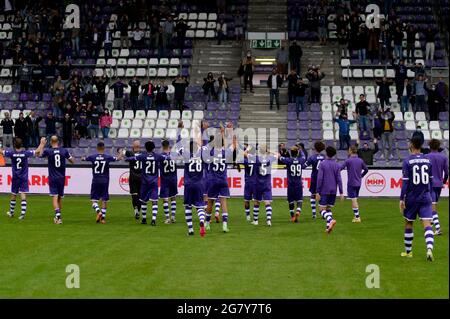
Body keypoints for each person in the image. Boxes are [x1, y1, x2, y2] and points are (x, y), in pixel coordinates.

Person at [399, 136, 435, 261]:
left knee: (409, 223)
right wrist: (429, 194)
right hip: (425, 196)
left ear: (412, 145)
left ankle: (408, 252)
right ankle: (429, 248)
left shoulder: (407, 161)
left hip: (412, 197)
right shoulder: (428, 160)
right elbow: (430, 180)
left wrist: (401, 199)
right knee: (427, 224)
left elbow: (405, 183)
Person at [0, 137, 46, 219]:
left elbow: (1, 151)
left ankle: (11, 212)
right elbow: (37, 152)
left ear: (14, 145)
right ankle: (22, 214)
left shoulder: (11, 153)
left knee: (14, 194)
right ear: (21, 145)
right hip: (23, 177)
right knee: (23, 194)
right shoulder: (25, 153)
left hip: (15, 177)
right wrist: (41, 144)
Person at [204, 126, 236, 233]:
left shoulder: (211, 152)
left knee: (210, 203)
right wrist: (231, 135)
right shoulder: (225, 153)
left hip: (213, 180)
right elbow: (233, 146)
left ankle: (207, 223)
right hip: (223, 181)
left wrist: (220, 135)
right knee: (223, 203)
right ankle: (225, 225)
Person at [36, 136, 74, 224]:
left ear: (50, 142)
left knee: (54, 197)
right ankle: (58, 217)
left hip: (53, 177)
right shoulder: (64, 151)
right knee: (60, 198)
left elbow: (38, 154)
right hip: (61, 177)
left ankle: (58, 217)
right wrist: (68, 158)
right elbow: (72, 161)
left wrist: (42, 144)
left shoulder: (48, 151)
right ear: (58, 141)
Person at [82, 142, 121, 224]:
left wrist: (83, 158)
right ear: (104, 148)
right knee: (104, 199)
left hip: (96, 180)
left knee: (94, 200)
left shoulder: (92, 157)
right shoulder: (107, 157)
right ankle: (103, 218)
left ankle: (98, 211)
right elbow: (118, 158)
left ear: (97, 148)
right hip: (105, 181)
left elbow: (83, 158)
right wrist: (121, 153)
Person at [125, 141, 161, 226]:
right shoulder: (157, 156)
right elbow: (166, 157)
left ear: (145, 148)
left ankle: (144, 219)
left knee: (144, 200)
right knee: (154, 201)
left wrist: (127, 158)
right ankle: (153, 219)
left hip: (145, 182)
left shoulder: (143, 156)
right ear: (153, 148)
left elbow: (131, 159)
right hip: (154, 182)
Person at [179, 137, 207, 236]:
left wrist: (180, 131)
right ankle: (202, 221)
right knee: (200, 206)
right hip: (199, 184)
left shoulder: (186, 154)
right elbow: (206, 147)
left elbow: (179, 145)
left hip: (188, 184)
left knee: (188, 206)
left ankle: (190, 230)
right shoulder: (202, 154)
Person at [316, 146, 344, 234]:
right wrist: (341, 192)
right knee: (328, 209)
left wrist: (317, 191)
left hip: (324, 189)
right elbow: (339, 179)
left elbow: (320, 178)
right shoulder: (337, 164)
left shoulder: (323, 164)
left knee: (321, 210)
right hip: (333, 190)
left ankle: (330, 220)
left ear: (326, 153)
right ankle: (328, 227)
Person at [340, 145, 368, 223]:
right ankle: (356, 216)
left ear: (351, 151)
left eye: (349, 150)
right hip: (358, 183)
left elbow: (340, 168)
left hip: (351, 183)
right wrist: (361, 176)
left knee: (353, 200)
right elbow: (366, 170)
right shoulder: (360, 160)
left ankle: (357, 217)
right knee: (354, 199)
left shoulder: (348, 160)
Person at [426, 139, 448, 236]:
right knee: (434, 204)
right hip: (439, 184)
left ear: (430, 146)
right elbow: (447, 173)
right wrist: (443, 182)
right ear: (438, 146)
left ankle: (438, 228)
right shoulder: (443, 157)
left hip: (430, 184)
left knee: (432, 206)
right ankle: (431, 222)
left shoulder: (426, 157)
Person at [251, 144, 277, 227]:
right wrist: (269, 151)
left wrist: (249, 149)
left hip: (257, 183)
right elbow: (278, 154)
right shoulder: (270, 158)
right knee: (267, 202)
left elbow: (245, 154)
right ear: (266, 150)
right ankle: (268, 220)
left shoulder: (256, 158)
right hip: (267, 183)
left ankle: (255, 221)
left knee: (256, 202)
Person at [278, 146, 306, 222]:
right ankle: (298, 211)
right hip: (298, 183)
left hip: (290, 184)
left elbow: (280, 158)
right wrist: (300, 150)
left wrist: (278, 154)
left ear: (291, 153)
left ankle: (293, 217)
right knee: (299, 200)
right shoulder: (301, 160)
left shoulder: (288, 160)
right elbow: (304, 156)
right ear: (297, 153)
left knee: (291, 201)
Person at [159, 139, 178, 224]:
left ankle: (167, 218)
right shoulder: (174, 154)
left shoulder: (161, 156)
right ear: (169, 146)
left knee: (165, 198)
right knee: (173, 197)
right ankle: (173, 216)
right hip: (173, 178)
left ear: (162, 146)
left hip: (165, 179)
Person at [305, 141, 326, 219]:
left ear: (315, 148)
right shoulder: (325, 157)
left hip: (314, 177)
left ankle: (314, 214)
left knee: (313, 195)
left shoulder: (312, 157)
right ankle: (323, 212)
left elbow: (304, 166)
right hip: (323, 178)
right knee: (322, 194)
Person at [124, 140, 143, 220]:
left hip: (133, 177)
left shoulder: (130, 153)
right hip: (142, 177)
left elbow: (120, 150)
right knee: (140, 196)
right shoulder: (143, 154)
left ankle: (136, 210)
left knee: (134, 195)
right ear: (140, 146)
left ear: (133, 146)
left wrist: (120, 152)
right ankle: (138, 210)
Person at [242, 144, 257, 222]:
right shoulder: (256, 159)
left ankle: (248, 216)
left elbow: (243, 154)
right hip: (255, 182)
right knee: (255, 200)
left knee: (246, 200)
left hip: (247, 182)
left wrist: (247, 149)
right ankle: (255, 217)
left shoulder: (246, 160)